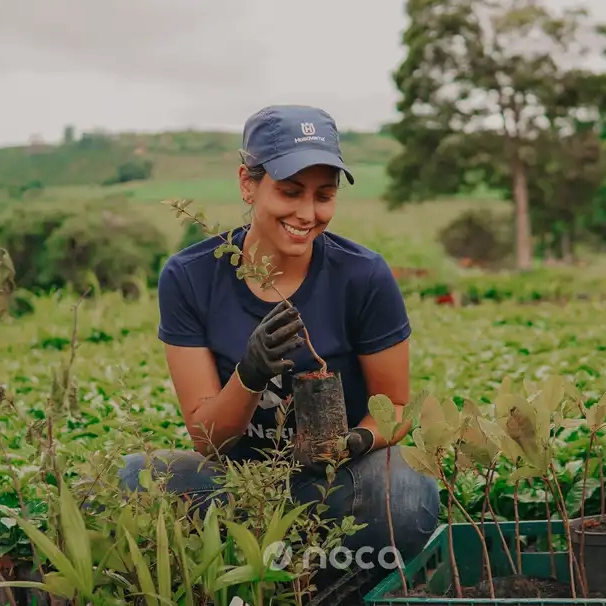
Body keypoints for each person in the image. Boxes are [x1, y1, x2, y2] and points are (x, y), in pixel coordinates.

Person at [119, 104, 439, 574]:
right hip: (241, 483)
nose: (307, 213)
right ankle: (283, 561)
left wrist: (354, 441)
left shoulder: (363, 275)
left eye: (323, 195)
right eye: (290, 192)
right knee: (137, 477)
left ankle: (304, 570)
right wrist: (249, 375)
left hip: (338, 483)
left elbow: (394, 409)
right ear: (248, 183)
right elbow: (207, 440)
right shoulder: (189, 276)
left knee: (407, 494)